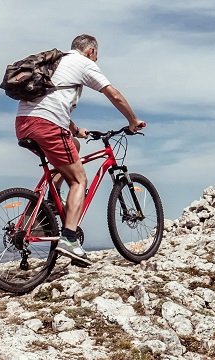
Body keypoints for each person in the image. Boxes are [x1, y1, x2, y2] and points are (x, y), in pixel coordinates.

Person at [15, 34, 145, 267]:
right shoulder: (83, 63)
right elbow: (113, 94)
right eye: (97, 55)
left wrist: (75, 129)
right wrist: (132, 120)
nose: (96, 60)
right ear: (91, 52)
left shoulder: (56, 63)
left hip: (24, 124)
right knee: (79, 180)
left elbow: (49, 103)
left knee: (72, 147)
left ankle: (53, 202)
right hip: (48, 126)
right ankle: (69, 239)